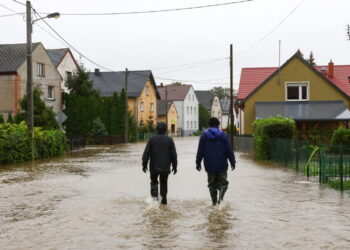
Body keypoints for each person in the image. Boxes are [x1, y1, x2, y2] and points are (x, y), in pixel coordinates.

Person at [196, 117, 236, 206]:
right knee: (224, 184)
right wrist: (233, 162)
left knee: (212, 185)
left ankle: (214, 204)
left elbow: (200, 151)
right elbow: (229, 150)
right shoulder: (223, 135)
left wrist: (198, 163)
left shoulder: (203, 136)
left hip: (209, 165)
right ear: (218, 125)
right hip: (222, 164)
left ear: (209, 125)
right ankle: (220, 199)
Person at [142, 122, 177, 205]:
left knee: (154, 182)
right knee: (164, 183)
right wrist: (175, 167)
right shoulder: (169, 140)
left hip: (154, 167)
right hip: (165, 167)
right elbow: (174, 155)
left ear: (156, 129)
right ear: (165, 130)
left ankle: (154, 201)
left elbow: (146, 153)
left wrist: (144, 164)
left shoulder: (151, 139)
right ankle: (164, 201)